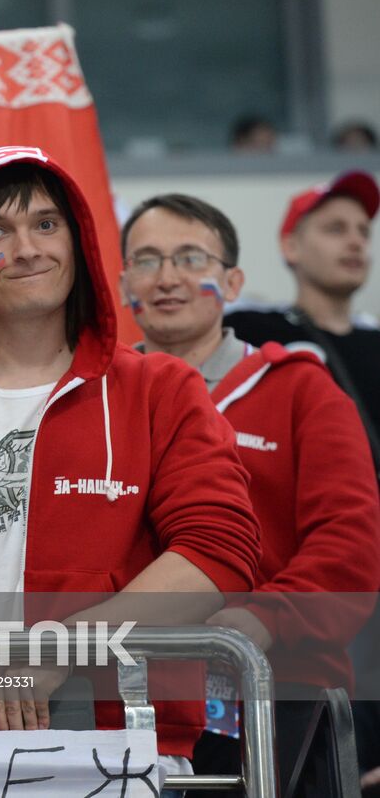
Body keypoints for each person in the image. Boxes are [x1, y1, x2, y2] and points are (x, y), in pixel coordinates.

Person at [0, 146, 259, 776]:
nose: (27, 248)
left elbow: (219, 556)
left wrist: (61, 647)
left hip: (125, 744)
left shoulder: (159, 389)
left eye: (46, 224)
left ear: (80, 243)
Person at [121, 193, 380, 785]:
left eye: (191, 258)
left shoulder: (302, 393)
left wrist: (269, 617)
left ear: (232, 280)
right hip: (125, 704)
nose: (167, 278)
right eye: (147, 260)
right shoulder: (96, 397)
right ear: (122, 280)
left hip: (276, 701)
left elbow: (350, 547)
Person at [225, 170, 380, 472]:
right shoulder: (248, 330)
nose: (355, 242)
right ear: (290, 246)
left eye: (364, 231)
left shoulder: (375, 341)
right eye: (336, 229)